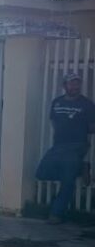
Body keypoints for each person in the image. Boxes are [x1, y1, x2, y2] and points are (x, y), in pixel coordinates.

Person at [44, 72, 95, 224]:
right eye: (72, 83)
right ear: (65, 85)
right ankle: (81, 167)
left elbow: (92, 128)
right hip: (59, 145)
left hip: (77, 146)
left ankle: (56, 213)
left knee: (67, 180)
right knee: (42, 171)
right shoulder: (57, 102)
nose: (75, 86)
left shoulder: (87, 104)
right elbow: (53, 121)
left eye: (77, 83)